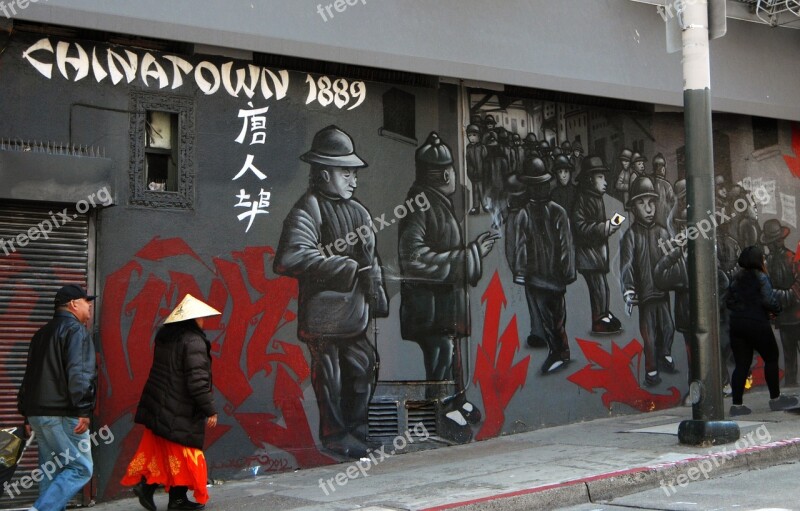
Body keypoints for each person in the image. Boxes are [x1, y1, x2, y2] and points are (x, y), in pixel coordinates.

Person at [274, 125, 388, 458]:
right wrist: (347, 267)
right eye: (346, 173)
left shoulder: (360, 211)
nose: (354, 180)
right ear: (324, 175)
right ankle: (336, 435)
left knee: (365, 364)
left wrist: (377, 294)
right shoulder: (308, 208)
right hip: (323, 318)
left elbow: (373, 259)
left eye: (355, 173)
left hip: (353, 315)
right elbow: (290, 257)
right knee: (331, 376)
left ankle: (358, 430)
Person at [399, 132, 496, 443]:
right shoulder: (420, 204)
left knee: (452, 353)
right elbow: (414, 258)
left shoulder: (434, 200)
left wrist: (473, 252)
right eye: (453, 170)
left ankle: (456, 401)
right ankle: (440, 415)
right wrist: (472, 254)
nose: (456, 175)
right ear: (443, 173)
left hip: (443, 304)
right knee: (441, 356)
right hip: (430, 306)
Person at [121, 294, 221, 511]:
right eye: (201, 318)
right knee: (185, 455)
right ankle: (174, 500)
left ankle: (154, 491)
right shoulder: (193, 341)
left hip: (161, 405)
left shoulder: (166, 337)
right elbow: (197, 381)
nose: (203, 322)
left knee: (168, 454)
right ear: (191, 319)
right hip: (180, 408)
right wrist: (210, 409)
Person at [18, 284, 97, 511]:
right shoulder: (76, 331)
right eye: (86, 302)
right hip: (64, 415)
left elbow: (29, 376)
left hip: (38, 415)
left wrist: (27, 415)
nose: (89, 307)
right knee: (81, 468)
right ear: (73, 304)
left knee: (51, 470)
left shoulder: (40, 334)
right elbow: (80, 373)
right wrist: (83, 410)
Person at [511, 157, 576, 374]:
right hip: (550, 277)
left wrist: (521, 273)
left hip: (538, 276)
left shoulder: (526, 213)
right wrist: (567, 272)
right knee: (555, 316)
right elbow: (566, 246)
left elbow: (520, 247)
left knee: (553, 315)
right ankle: (559, 351)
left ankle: (559, 351)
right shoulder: (556, 211)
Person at [726, 246, 799, 416]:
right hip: (757, 323)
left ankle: (736, 405)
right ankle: (775, 399)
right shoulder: (761, 277)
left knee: (742, 365)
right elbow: (769, 300)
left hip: (737, 324)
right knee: (771, 357)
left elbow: (729, 301)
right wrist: (777, 310)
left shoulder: (736, 278)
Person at [620, 177, 676, 387]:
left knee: (668, 327)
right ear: (633, 207)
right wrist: (628, 291)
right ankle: (651, 370)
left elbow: (671, 259)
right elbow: (626, 266)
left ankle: (666, 352)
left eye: (651, 202)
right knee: (649, 335)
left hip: (661, 291)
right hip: (645, 295)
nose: (648, 208)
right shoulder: (631, 235)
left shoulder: (662, 232)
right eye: (642, 203)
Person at [572, 156, 623, 334]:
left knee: (602, 286)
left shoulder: (595, 197)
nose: (605, 182)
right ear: (589, 179)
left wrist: (608, 226)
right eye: (600, 177)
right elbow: (580, 226)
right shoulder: (583, 199)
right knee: (598, 287)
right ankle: (599, 320)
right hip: (588, 255)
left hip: (597, 254)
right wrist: (606, 227)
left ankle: (604, 314)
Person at [762, 219, 800, 386]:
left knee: (790, 357)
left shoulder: (789, 259)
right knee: (789, 358)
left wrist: (783, 295)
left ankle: (791, 389)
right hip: (787, 318)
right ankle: (791, 389)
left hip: (791, 317)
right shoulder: (773, 261)